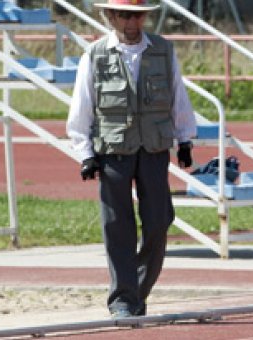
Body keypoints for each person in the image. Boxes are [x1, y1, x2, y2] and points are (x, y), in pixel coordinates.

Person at [66, 0, 197, 318]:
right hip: (113, 151)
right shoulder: (95, 55)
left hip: (153, 148)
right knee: (117, 226)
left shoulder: (163, 51)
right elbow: (82, 106)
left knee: (158, 222)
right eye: (123, 15)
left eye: (137, 15)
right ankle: (123, 299)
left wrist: (185, 140)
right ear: (109, 16)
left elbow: (179, 96)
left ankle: (136, 290)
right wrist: (85, 154)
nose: (131, 22)